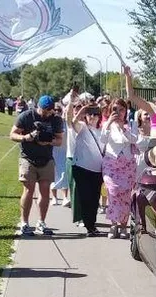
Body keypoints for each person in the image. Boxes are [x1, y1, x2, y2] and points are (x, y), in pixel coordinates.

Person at [10, 95, 65, 237]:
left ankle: (41, 222)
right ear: (38, 107)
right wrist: (26, 137)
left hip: (46, 158)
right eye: (45, 110)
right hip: (28, 158)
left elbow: (59, 140)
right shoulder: (26, 116)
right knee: (28, 190)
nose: (47, 113)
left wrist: (49, 141)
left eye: (50, 110)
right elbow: (12, 134)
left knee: (45, 190)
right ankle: (25, 223)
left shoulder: (56, 120)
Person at [65, 92, 105, 236]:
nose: (92, 117)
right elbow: (71, 121)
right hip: (82, 168)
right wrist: (83, 110)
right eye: (90, 114)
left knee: (94, 199)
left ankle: (92, 224)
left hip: (97, 170)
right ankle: (89, 226)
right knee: (85, 197)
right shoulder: (82, 127)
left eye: (95, 114)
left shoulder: (102, 131)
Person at [102, 98, 138, 239]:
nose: (118, 112)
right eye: (115, 109)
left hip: (128, 165)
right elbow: (103, 140)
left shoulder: (131, 124)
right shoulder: (107, 125)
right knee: (112, 192)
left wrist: (124, 128)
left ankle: (123, 225)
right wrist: (110, 122)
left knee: (124, 196)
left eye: (121, 109)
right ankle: (113, 225)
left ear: (126, 111)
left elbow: (134, 139)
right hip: (111, 164)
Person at [50, 103, 70, 207]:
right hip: (52, 152)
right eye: (55, 110)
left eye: (59, 110)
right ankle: (54, 197)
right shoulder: (50, 123)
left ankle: (65, 197)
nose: (57, 112)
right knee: (53, 175)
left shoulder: (65, 123)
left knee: (64, 175)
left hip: (64, 152)